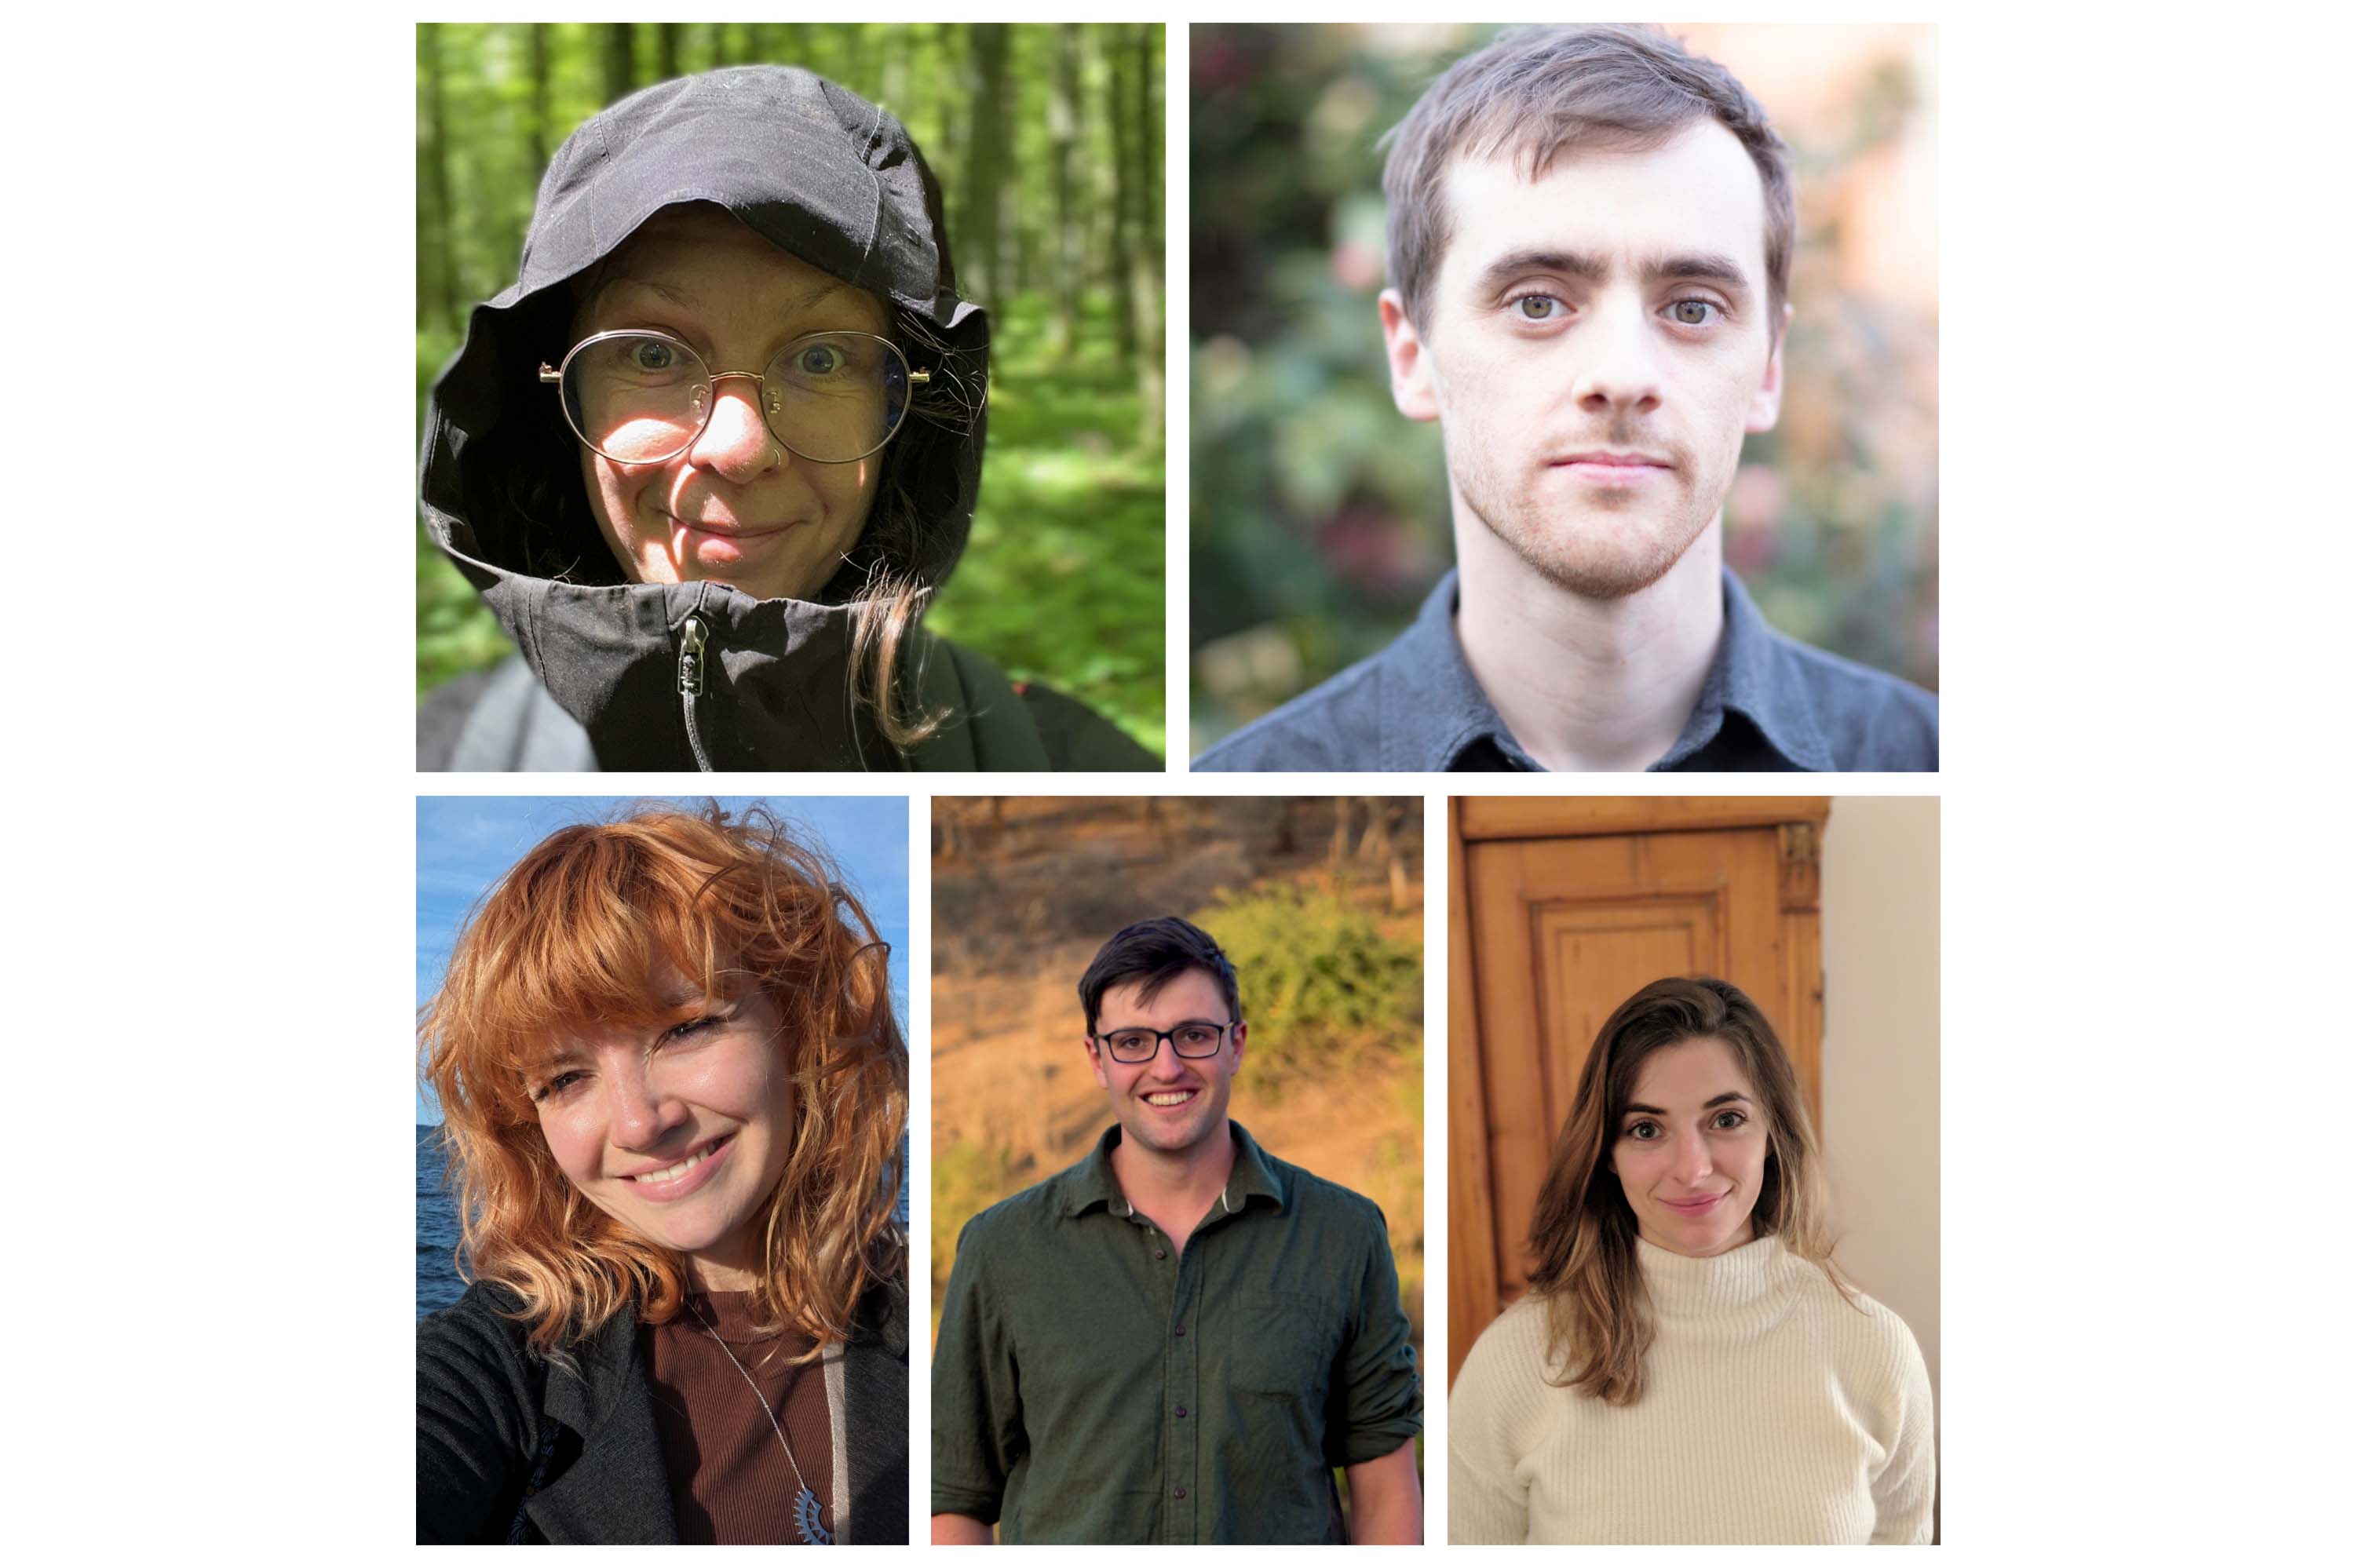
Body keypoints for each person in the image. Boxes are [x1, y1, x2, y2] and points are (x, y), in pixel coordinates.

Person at [1196, 25, 1937, 772]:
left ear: (1769, 368)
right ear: (1412, 354)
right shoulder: (1240, 800)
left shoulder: (1927, 762)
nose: (1621, 375)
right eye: (1538, 303)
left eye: (1691, 308)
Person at [418, 65, 1156, 771]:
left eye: (822, 360)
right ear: (553, 392)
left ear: (907, 410)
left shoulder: (1045, 760)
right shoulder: (437, 759)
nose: (739, 449)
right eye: (651, 355)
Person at [416, 803, 909, 1543]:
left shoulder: (932, 1306)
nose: (640, 1123)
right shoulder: (515, 1361)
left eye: (685, 1029)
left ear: (796, 1024)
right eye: (565, 1079)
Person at [929, 917, 1424, 1543]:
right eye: (1133, 1041)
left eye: (1194, 1035)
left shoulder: (1344, 1235)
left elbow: (1385, 1490)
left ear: (1236, 1044)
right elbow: (953, 1500)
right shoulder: (1002, 1249)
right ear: (1097, 1059)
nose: (1167, 1067)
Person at [1448, 976, 1934, 1544]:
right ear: (1606, 1154)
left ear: (1773, 1130)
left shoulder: (1875, 1349)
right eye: (1647, 1129)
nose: (1691, 1167)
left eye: (1725, 1119)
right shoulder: (1518, 1361)